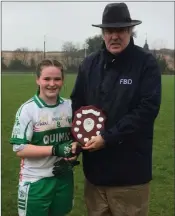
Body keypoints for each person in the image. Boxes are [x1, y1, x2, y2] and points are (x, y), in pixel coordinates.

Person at [70, 2, 161, 216]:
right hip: (95, 175)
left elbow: (146, 110)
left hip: (130, 177)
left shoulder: (146, 63)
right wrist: (75, 136)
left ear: (130, 31)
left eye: (120, 30)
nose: (114, 36)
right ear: (103, 33)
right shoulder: (89, 64)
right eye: (109, 30)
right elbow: (77, 104)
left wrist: (108, 138)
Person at [10, 59, 79, 216]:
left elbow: (75, 139)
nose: (52, 84)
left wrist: (73, 153)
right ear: (37, 80)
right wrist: (56, 149)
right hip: (36, 181)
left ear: (63, 80)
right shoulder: (28, 110)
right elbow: (20, 149)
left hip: (63, 178)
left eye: (57, 79)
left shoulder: (69, 106)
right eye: (47, 79)